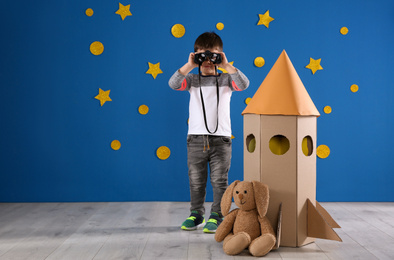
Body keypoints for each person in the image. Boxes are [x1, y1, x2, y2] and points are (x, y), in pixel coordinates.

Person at [168, 32, 249, 233]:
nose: (206, 61)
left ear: (219, 56)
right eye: (201, 56)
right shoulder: (192, 80)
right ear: (195, 56)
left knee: (219, 180)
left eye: (212, 56)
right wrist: (189, 65)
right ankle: (196, 214)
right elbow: (173, 84)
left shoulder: (227, 80)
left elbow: (244, 84)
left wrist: (226, 66)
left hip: (221, 138)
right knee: (196, 180)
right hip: (195, 138)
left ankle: (217, 215)